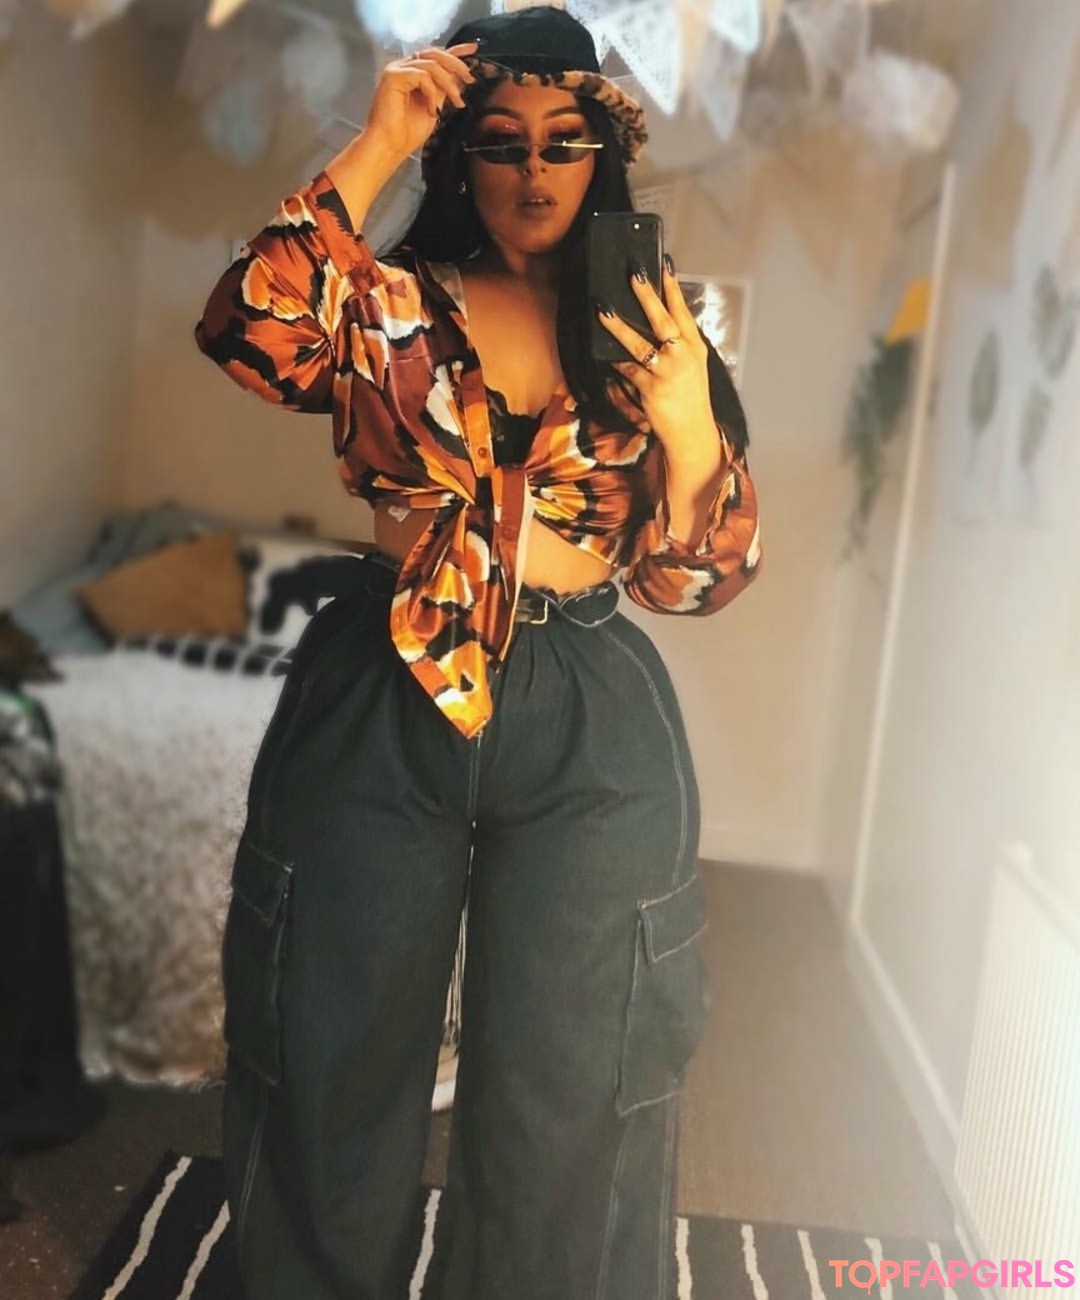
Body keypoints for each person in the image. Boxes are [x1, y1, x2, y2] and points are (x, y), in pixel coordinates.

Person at [194, 7, 762, 1298]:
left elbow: (697, 576)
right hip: (386, 676)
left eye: (564, 141)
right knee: (327, 1038)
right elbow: (247, 331)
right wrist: (380, 139)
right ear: (462, 157)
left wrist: (686, 420)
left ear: (603, 155)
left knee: (584, 1063)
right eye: (498, 142)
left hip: (587, 703)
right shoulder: (384, 299)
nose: (532, 170)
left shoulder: (657, 330)